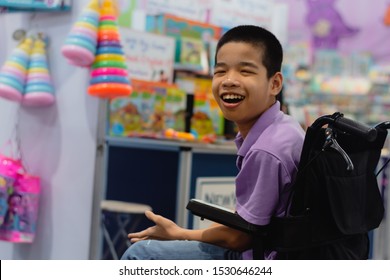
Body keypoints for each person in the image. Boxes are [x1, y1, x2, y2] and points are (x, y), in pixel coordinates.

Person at [121, 25, 305, 260]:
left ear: (275, 84)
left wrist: (180, 234)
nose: (229, 81)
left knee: (141, 255)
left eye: (245, 71)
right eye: (220, 71)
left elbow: (240, 238)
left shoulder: (267, 150)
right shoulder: (286, 127)